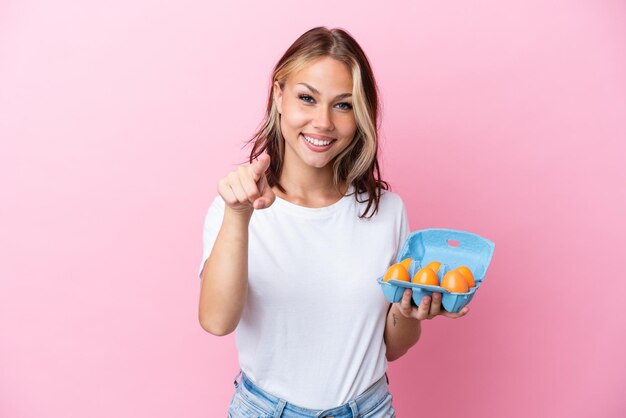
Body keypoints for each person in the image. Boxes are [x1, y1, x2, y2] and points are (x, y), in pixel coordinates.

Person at [197, 26, 469, 418]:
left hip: (369, 409)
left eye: (342, 105)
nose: (322, 122)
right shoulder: (234, 207)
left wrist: (408, 311)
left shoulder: (387, 212)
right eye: (307, 98)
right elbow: (216, 322)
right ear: (279, 95)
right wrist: (238, 215)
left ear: (360, 115)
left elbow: (392, 346)